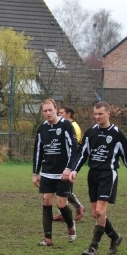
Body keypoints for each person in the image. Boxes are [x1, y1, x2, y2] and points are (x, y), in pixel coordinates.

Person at [70, 101, 127, 255]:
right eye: (95, 114)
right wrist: (74, 170)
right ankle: (115, 237)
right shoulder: (91, 132)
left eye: (100, 114)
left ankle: (93, 247)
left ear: (109, 114)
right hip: (93, 174)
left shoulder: (116, 134)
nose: (97, 117)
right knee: (96, 214)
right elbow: (82, 153)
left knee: (101, 211)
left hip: (108, 174)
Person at [31, 99, 78, 246]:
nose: (48, 113)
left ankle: (70, 225)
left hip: (63, 173)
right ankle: (48, 238)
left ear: (56, 109)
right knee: (46, 200)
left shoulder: (66, 126)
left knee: (61, 204)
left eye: (50, 110)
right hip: (47, 172)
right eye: (45, 111)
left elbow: (74, 149)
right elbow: (38, 151)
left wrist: (69, 168)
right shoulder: (42, 128)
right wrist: (35, 173)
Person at [53, 105, 85, 222]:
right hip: (63, 162)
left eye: (61, 113)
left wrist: (71, 165)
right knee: (62, 187)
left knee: (64, 188)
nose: (59, 115)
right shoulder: (64, 125)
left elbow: (75, 147)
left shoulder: (73, 126)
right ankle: (70, 209)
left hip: (70, 163)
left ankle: (77, 207)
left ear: (69, 114)